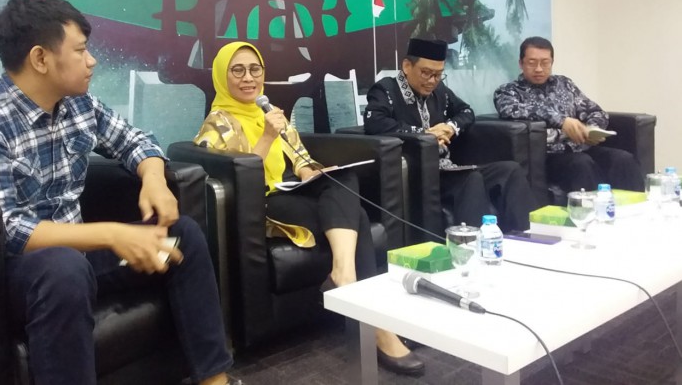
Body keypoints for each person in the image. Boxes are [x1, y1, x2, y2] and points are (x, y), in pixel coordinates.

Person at [0, 0, 239, 385]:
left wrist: (154, 179)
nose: (92, 61)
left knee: (181, 235)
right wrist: (113, 234)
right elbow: (9, 230)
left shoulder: (79, 105)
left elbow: (137, 140)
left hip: (81, 257)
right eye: (80, 50)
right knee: (62, 268)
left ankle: (214, 380)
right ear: (40, 59)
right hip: (18, 276)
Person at [193, 41, 425, 376]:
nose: (248, 78)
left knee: (342, 178)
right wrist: (267, 137)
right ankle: (378, 326)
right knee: (358, 217)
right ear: (221, 76)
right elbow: (238, 177)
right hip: (260, 204)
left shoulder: (271, 113)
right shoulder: (217, 123)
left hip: (291, 192)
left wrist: (308, 172)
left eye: (255, 69)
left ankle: (344, 276)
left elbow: (300, 157)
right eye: (237, 70)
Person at [364, 38, 537, 232]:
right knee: (470, 178)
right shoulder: (386, 89)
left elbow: (466, 112)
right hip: (421, 174)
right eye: (426, 73)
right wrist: (424, 133)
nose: (432, 81)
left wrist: (450, 127)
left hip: (451, 169)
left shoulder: (440, 91)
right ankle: (474, 245)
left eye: (438, 74)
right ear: (407, 66)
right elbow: (374, 122)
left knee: (510, 171)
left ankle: (530, 236)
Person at [493, 36, 644, 194]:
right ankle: (594, 208)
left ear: (552, 62)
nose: (538, 69)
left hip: (580, 147)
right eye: (532, 63)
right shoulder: (508, 92)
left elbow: (596, 111)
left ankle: (637, 207)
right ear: (521, 63)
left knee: (623, 159)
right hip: (548, 156)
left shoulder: (564, 84)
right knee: (581, 163)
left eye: (545, 63)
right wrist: (561, 121)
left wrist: (590, 129)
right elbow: (512, 110)